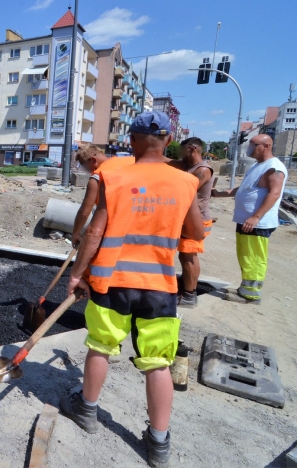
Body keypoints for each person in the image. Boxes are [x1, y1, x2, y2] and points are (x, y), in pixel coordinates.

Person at [61, 111, 203, 468]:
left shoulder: (115, 178)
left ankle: (86, 411)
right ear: (168, 140)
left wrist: (77, 274)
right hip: (159, 286)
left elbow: (95, 232)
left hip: (112, 281)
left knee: (100, 346)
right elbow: (197, 232)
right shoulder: (185, 182)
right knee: (157, 362)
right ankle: (158, 444)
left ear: (131, 141)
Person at [211, 133, 287, 304]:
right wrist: (219, 194)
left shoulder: (274, 168)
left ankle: (250, 295)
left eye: (254, 145)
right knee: (246, 256)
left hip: (257, 223)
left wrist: (256, 217)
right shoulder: (258, 166)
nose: (250, 149)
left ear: (266, 146)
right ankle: (245, 289)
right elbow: (244, 189)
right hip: (247, 220)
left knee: (254, 258)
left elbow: (274, 194)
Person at [168, 137, 215, 308]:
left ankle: (189, 295)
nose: (180, 154)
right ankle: (188, 289)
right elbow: (168, 161)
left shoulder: (203, 170)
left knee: (188, 257)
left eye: (182, 150)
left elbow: (184, 191)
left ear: (192, 149)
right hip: (189, 220)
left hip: (196, 220)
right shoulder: (189, 166)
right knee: (186, 256)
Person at [71, 143, 135, 247]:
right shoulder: (131, 161)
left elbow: (84, 212)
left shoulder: (98, 176)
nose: (88, 172)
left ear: (93, 160)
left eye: (86, 168)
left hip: (119, 230)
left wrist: (76, 233)